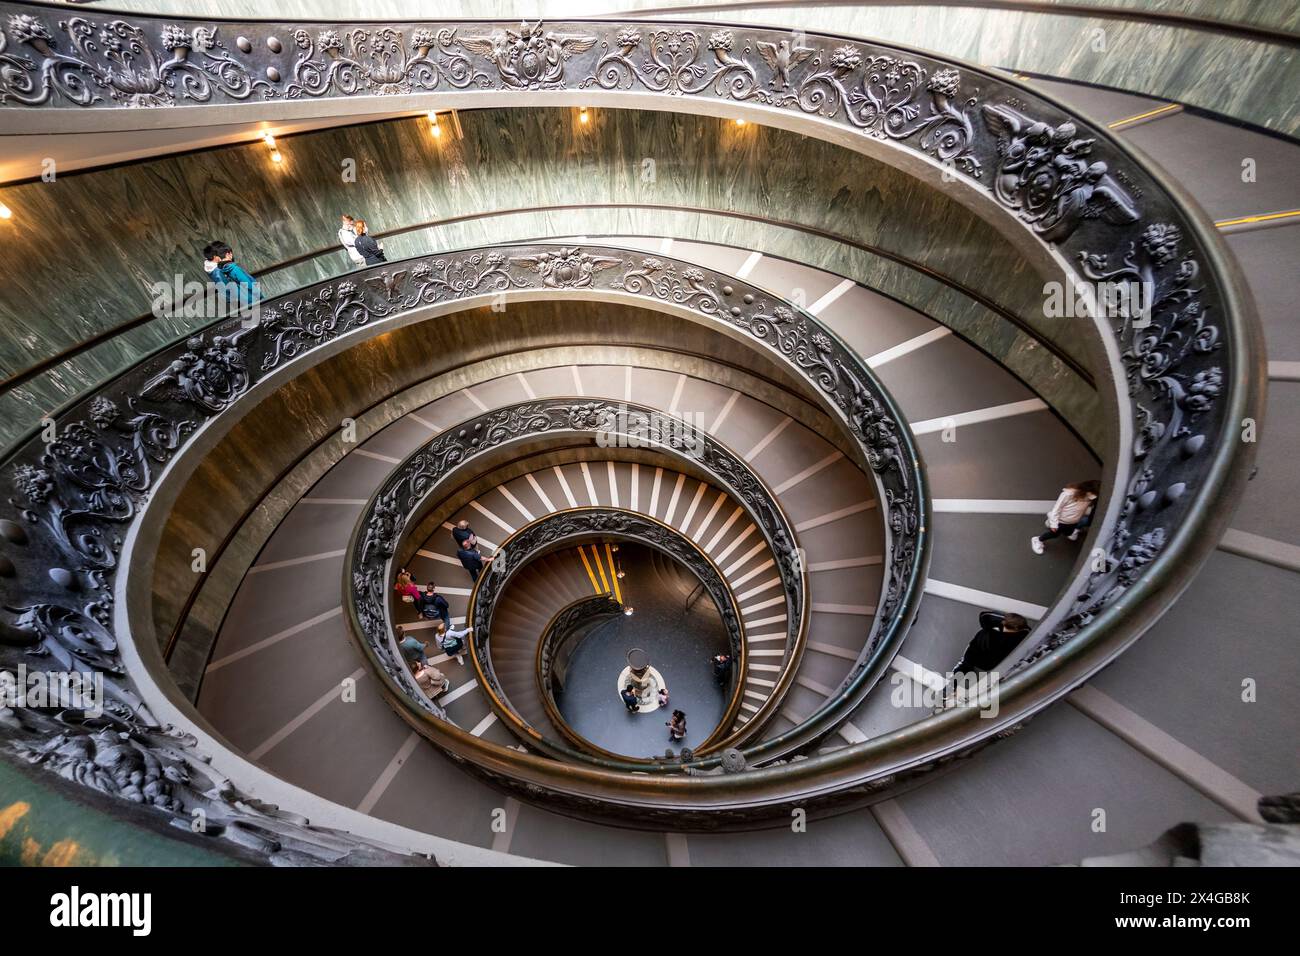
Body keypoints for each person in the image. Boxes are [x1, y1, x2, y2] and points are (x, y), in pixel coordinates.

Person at [1032, 479, 1100, 554]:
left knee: (1068, 533)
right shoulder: (1068, 494)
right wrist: (1054, 524)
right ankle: (1038, 539)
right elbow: (1057, 509)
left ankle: (1051, 519)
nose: (1093, 497)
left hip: (1073, 521)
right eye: (1093, 495)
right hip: (1062, 520)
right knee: (1054, 534)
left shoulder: (1090, 497)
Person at [954, 612, 1030, 675]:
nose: (1010, 635)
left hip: (988, 670)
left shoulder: (1019, 636)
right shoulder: (986, 634)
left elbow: (985, 616)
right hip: (976, 668)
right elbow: (969, 654)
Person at [203, 240, 258, 306]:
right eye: (228, 254)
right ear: (216, 257)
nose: (230, 256)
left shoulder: (212, 268)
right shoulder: (220, 271)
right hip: (246, 298)